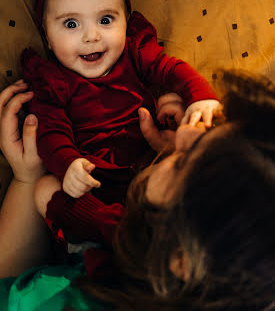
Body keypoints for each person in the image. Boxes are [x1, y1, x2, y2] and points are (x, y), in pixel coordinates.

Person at [1, 69, 275, 311]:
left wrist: (25, 178)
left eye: (185, 163)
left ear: (182, 258)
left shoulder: (56, 301)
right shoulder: (218, 271)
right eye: (218, 125)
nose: (185, 132)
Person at [21, 0, 221, 243]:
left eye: (106, 20)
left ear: (126, 22)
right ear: (47, 37)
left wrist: (200, 96)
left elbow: (170, 69)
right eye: (71, 24)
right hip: (92, 182)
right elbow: (50, 133)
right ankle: (116, 235)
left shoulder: (135, 52)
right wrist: (68, 165)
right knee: (44, 189)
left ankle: (156, 233)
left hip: (148, 165)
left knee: (195, 166)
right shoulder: (52, 82)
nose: (92, 36)